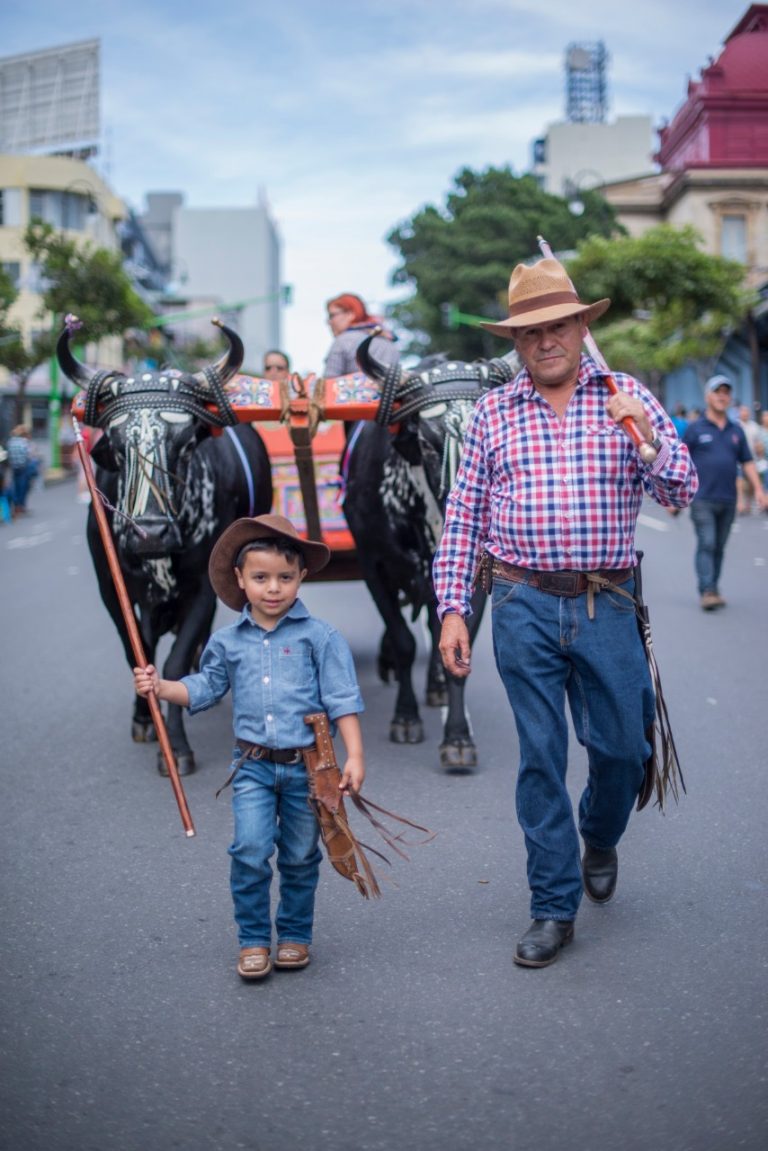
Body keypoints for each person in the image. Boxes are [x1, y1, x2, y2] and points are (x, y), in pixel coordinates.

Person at [433, 257, 698, 969]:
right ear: (516, 343)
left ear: (583, 326)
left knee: (623, 750)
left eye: (558, 326)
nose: (545, 340)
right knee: (541, 758)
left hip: (607, 602)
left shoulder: (626, 395)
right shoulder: (493, 412)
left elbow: (680, 492)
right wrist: (454, 608)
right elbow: (463, 518)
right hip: (520, 602)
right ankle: (553, 905)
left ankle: (600, 833)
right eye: (530, 332)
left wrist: (642, 434)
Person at [133, 513, 366, 981]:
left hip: (307, 769)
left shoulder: (320, 638)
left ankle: (296, 935)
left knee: (301, 855)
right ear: (240, 580)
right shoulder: (225, 643)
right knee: (250, 850)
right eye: (260, 578)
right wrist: (160, 687)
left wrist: (355, 756)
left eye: (284, 577)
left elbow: (343, 700)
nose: (273, 588)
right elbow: (203, 689)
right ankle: (254, 940)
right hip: (253, 768)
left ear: (302, 577)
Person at [683, 376, 767, 610]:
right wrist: (674, 496)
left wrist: (759, 490)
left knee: (719, 546)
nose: (722, 396)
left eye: (726, 392)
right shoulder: (695, 429)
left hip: (728, 498)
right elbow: (681, 462)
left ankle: (713, 587)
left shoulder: (736, 431)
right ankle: (707, 590)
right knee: (707, 542)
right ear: (708, 396)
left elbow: (748, 462)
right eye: (717, 391)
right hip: (701, 498)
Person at [323, 292, 398, 378]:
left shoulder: (343, 341)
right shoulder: (388, 341)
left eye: (331, 315)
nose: (329, 322)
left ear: (350, 314)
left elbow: (328, 383)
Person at [7, 424, 39, 518]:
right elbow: (29, 455)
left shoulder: (10, 441)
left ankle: (16, 506)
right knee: (23, 487)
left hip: (14, 467)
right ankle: (21, 506)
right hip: (23, 467)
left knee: (16, 486)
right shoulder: (24, 442)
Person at [735, 403, 762, 514]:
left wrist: (759, 451)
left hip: (751, 459)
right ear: (739, 413)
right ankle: (740, 502)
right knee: (739, 480)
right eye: (742, 411)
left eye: (746, 411)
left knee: (751, 482)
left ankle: (748, 503)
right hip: (737, 459)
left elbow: (758, 443)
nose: (744, 413)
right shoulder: (735, 425)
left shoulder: (754, 426)